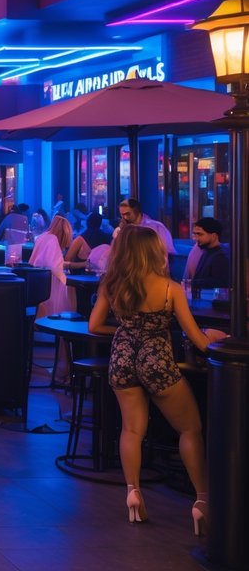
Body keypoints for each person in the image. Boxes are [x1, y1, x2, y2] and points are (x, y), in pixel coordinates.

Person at [89, 226, 224, 532]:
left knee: (132, 430)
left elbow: (94, 326)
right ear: (152, 252)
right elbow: (197, 340)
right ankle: (203, 501)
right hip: (157, 361)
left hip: (122, 359)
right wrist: (219, 341)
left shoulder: (110, 284)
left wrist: (125, 333)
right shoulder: (169, 288)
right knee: (190, 428)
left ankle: (133, 493)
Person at [28, 215, 75, 319]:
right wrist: (66, 280)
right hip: (49, 282)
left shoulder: (43, 236)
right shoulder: (53, 239)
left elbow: (37, 260)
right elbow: (55, 267)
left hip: (38, 279)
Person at [184, 217, 229, 291]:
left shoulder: (220, 256)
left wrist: (192, 283)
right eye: (195, 234)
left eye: (200, 234)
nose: (196, 238)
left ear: (214, 236)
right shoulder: (206, 251)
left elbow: (219, 283)